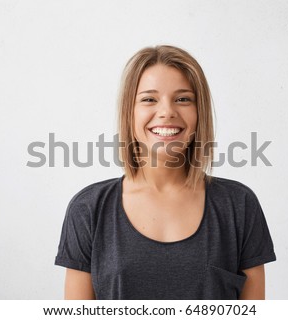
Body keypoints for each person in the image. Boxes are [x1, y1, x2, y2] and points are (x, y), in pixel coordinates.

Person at [55, 45, 276, 299]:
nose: (167, 112)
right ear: (130, 112)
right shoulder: (88, 209)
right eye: (149, 99)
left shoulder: (239, 205)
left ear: (199, 113)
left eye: (183, 99)